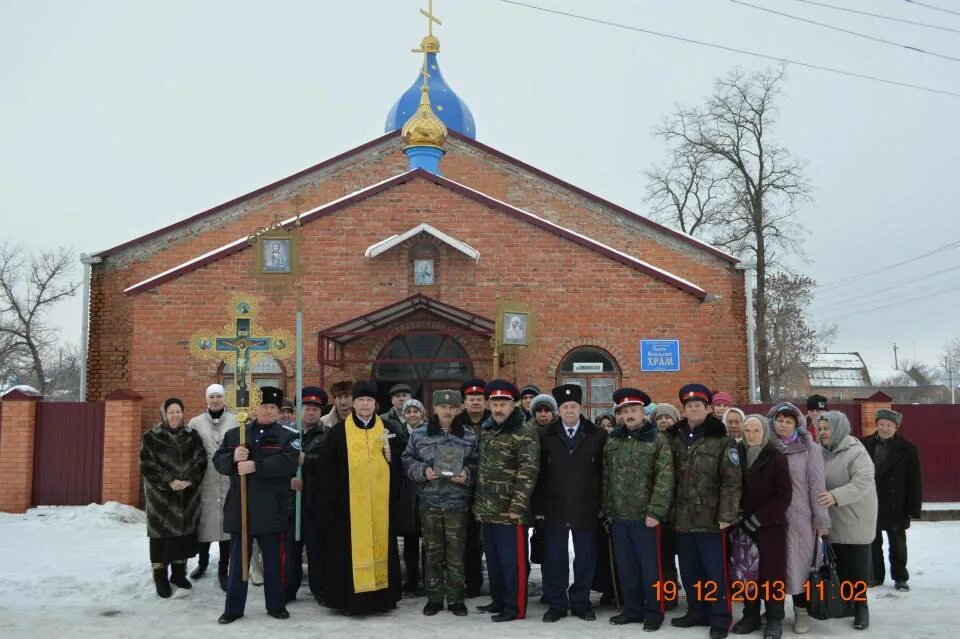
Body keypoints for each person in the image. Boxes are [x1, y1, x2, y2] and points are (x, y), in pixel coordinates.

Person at [214, 387, 299, 624]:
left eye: (273, 407)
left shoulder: (288, 436)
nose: (269, 411)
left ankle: (276, 605)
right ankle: (233, 608)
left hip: (272, 509)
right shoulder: (236, 435)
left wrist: (255, 466)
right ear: (255, 409)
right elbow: (218, 462)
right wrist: (233, 458)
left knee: (273, 562)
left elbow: (288, 462)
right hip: (240, 509)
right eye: (264, 406)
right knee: (238, 563)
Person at [317, 381, 401, 615]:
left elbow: (402, 466)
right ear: (353, 404)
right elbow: (327, 471)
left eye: (369, 401)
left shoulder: (389, 430)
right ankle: (349, 601)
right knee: (346, 553)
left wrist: (393, 459)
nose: (365, 404)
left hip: (380, 508)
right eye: (361, 400)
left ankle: (381, 600)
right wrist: (330, 506)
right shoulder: (337, 433)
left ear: (376, 404)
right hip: (348, 509)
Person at [667, 384, 742, 639]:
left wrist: (726, 515)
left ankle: (720, 616)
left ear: (708, 408)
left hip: (711, 518)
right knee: (689, 569)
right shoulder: (674, 438)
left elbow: (732, 481)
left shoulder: (722, 439)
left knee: (715, 571)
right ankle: (696, 611)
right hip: (683, 518)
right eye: (689, 406)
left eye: (698, 405)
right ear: (684, 409)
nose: (693, 409)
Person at [402, 389, 479, 616]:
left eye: (452, 407)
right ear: (434, 408)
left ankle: (456, 599)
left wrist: (467, 474)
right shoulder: (419, 434)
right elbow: (407, 460)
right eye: (443, 407)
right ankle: (434, 598)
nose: (447, 411)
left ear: (459, 409)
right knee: (432, 552)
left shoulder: (469, 435)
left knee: (456, 553)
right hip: (430, 501)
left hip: (457, 503)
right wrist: (422, 471)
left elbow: (476, 463)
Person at [534, 384, 607, 623]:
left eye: (573, 406)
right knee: (555, 557)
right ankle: (556, 603)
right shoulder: (547, 435)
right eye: (565, 407)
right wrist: (539, 507)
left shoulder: (596, 434)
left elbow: (603, 472)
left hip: (586, 506)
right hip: (554, 506)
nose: (569, 411)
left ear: (580, 407)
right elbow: (540, 473)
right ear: (559, 410)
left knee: (585, 556)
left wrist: (601, 504)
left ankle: (581, 601)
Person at [602, 388, 674, 630]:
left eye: (634, 410)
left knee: (650, 568)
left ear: (643, 412)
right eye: (625, 411)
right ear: (620, 415)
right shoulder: (613, 439)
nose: (630, 414)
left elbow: (664, 478)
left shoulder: (657, 440)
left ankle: (654, 612)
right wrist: (607, 509)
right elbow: (606, 476)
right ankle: (632, 609)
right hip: (619, 515)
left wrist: (656, 512)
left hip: (646, 518)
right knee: (626, 566)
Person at [474, 380, 540, 622]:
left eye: (503, 403)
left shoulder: (524, 432)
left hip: (511, 512)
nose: (498, 408)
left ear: (513, 405)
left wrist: (517, 506)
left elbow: (528, 472)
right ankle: (499, 600)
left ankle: (515, 607)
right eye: (494, 403)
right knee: (494, 561)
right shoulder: (489, 429)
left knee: (514, 564)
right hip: (488, 509)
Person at [768, 402, 829, 635]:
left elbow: (817, 486)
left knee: (800, 565)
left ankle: (801, 611)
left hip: (800, 518)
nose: (782, 425)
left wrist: (821, 520)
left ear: (797, 424)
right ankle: (774, 611)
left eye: (788, 421)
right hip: (771, 519)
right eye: (779, 420)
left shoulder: (809, 449)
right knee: (774, 565)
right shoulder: (766, 445)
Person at [730, 414, 791, 639]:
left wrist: (758, 518)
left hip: (770, 527)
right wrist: (736, 514)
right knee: (749, 574)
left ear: (764, 432)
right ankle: (751, 616)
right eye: (747, 431)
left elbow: (784, 495)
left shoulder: (775, 456)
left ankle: (775, 618)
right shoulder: (738, 455)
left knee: (771, 575)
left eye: (756, 431)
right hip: (743, 526)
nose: (752, 435)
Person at [140, 398, 208, 598]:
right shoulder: (152, 437)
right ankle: (160, 577)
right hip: (161, 498)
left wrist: (188, 480)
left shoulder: (192, 435)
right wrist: (170, 481)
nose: (175, 415)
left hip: (186, 496)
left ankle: (178, 575)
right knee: (161, 539)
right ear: (164, 414)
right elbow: (147, 464)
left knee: (182, 538)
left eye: (178, 411)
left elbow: (201, 460)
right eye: (171, 412)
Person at [817, 411, 877, 631]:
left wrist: (835, 496)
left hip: (855, 518)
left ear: (839, 429)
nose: (822, 433)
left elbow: (863, 483)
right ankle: (846, 604)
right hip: (832, 518)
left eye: (827, 428)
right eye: (820, 429)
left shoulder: (856, 452)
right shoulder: (820, 452)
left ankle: (861, 607)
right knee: (839, 565)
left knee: (857, 567)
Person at [186, 384, 239, 591]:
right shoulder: (196, 422)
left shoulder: (235, 420)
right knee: (205, 525)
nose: (215, 400)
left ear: (224, 398)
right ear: (206, 399)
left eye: (218, 396)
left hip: (228, 479)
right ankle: (203, 562)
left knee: (226, 526)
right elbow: (190, 451)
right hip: (206, 480)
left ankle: (223, 569)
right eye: (211, 397)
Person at [863, 408, 922, 591]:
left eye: (889, 425)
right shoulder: (864, 444)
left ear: (896, 427)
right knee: (873, 543)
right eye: (881, 424)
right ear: (877, 424)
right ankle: (875, 576)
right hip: (871, 502)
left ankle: (900, 577)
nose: (885, 428)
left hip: (897, 504)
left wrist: (913, 508)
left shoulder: (908, 448)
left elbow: (915, 480)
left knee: (897, 544)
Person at [286, 386, 328, 604]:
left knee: (316, 549)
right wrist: (289, 480)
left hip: (315, 503)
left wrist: (307, 461)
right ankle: (289, 588)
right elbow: (280, 463)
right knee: (292, 548)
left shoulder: (327, 435)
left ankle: (319, 588)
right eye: (307, 408)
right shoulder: (288, 434)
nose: (311, 412)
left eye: (315, 409)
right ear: (299, 410)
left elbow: (329, 465)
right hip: (293, 503)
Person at [455, 377, 490, 598]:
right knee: (468, 540)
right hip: (463, 489)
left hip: (490, 489)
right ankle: (472, 583)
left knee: (493, 540)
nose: (475, 402)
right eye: (471, 398)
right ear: (464, 402)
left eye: (479, 398)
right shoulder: (457, 423)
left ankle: (500, 583)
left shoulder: (494, 420)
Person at [649, 402, 682, 607]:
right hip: (658, 508)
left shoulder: (681, 441)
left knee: (678, 554)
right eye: (660, 418)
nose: (664, 421)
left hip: (680, 507)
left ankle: (674, 591)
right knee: (662, 554)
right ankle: (667, 594)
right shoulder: (650, 440)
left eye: (667, 417)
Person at [396, 398, 426, 594]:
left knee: (429, 540)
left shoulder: (429, 432)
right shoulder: (398, 434)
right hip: (406, 491)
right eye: (409, 412)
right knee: (410, 539)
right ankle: (412, 578)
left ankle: (429, 577)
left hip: (425, 489)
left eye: (416, 411)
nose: (412, 415)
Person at [527, 393, 558, 570]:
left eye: (547, 410)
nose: (543, 414)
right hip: (531, 490)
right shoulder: (526, 431)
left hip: (553, 493)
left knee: (551, 541)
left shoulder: (560, 431)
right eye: (539, 410)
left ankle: (550, 585)